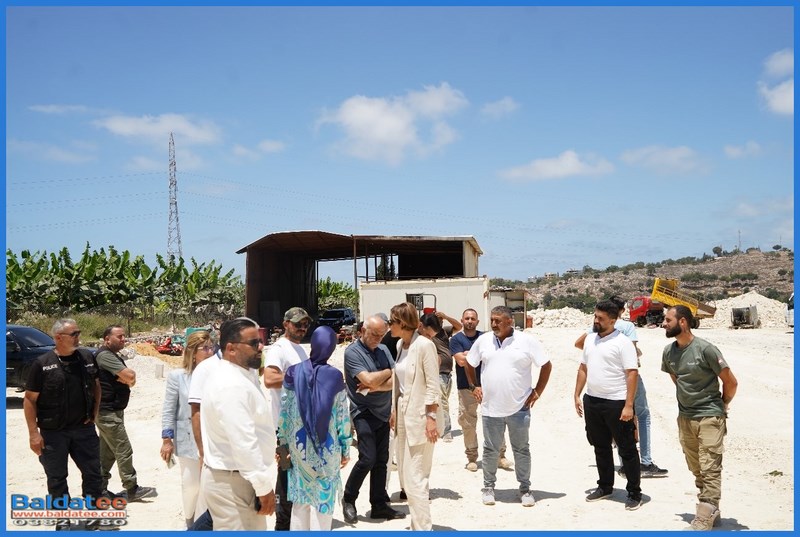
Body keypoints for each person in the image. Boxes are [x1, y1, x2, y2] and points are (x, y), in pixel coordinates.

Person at [465, 305, 551, 508]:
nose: (494, 324)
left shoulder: (526, 341)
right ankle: (488, 488)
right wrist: (473, 386)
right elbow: (469, 363)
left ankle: (525, 489)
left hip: (519, 408)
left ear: (510, 322)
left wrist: (537, 391)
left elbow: (546, 365)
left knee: (521, 449)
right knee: (490, 449)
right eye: (492, 320)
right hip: (490, 408)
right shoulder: (484, 340)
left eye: (498, 321)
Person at [662, 305, 738, 530]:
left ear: (682, 322)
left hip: (710, 416)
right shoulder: (668, 352)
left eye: (668, 320)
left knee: (710, 466)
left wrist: (722, 404)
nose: (663, 324)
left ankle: (705, 515)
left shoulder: (706, 349)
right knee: (696, 467)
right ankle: (711, 509)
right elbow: (677, 379)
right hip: (685, 417)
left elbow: (731, 382)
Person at [574, 296, 668, 479]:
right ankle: (645, 461)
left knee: (613, 427)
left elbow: (579, 344)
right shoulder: (626, 327)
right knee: (641, 416)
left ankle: (623, 465)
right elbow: (632, 354)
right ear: (621, 312)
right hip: (626, 379)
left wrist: (599, 355)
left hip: (604, 389)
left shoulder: (596, 329)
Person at [23, 319, 103, 530]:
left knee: (93, 472)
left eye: (78, 332)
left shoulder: (87, 358)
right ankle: (62, 517)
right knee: (56, 477)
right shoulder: (42, 364)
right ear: (58, 337)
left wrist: (94, 413)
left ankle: (93, 513)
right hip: (53, 433)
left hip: (84, 429)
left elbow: (96, 385)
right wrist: (33, 433)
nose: (78, 337)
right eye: (74, 334)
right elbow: (29, 399)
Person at [200, 317, 276, 530]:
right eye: (254, 343)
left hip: (239, 478)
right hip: (233, 483)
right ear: (231, 349)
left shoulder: (241, 375)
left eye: (261, 341)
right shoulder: (231, 385)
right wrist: (263, 488)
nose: (261, 347)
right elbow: (243, 443)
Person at [278, 326, 352, 530]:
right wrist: (345, 449)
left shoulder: (293, 372)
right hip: (327, 450)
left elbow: (284, 413)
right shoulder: (334, 377)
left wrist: (282, 444)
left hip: (298, 448)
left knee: (300, 502)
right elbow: (342, 418)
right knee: (323, 503)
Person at [574, 300, 642, 511]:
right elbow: (583, 368)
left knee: (627, 448)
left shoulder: (623, 343)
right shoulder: (590, 339)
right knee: (600, 446)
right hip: (593, 401)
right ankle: (605, 486)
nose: (596, 320)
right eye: (595, 316)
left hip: (617, 403)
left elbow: (632, 374)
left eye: (600, 318)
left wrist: (628, 405)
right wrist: (577, 394)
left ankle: (634, 493)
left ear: (613, 320)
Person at [341, 315, 404, 524]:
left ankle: (378, 505)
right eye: (374, 334)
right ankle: (348, 499)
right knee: (367, 458)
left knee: (381, 461)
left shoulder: (384, 349)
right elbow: (367, 379)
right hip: (363, 411)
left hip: (384, 412)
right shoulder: (352, 352)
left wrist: (376, 385)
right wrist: (387, 372)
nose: (378, 338)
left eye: (381, 335)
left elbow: (396, 380)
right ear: (362, 331)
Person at [389, 302, 441, 530]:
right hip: (403, 414)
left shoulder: (424, 345)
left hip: (421, 417)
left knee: (416, 477)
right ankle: (417, 524)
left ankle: (423, 528)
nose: (389, 326)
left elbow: (433, 385)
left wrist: (431, 418)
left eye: (391, 322)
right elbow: (400, 382)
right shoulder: (400, 345)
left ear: (402, 323)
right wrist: (394, 410)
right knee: (405, 476)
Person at [95, 325, 157, 501]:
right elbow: (130, 377)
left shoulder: (111, 355)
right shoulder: (105, 356)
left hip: (112, 410)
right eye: (119, 336)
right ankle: (132, 488)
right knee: (123, 449)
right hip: (107, 412)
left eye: (124, 336)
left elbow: (130, 379)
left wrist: (128, 378)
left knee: (107, 453)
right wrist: (127, 377)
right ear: (107, 339)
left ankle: (99, 488)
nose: (123, 339)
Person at [160, 331, 216, 528]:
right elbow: (169, 409)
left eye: (211, 347)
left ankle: (205, 525)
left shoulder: (217, 375)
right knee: (191, 485)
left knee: (210, 486)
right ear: (192, 352)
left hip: (213, 438)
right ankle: (190, 522)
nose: (210, 352)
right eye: (205, 348)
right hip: (189, 439)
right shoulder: (178, 377)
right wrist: (167, 439)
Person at [263, 306, 312, 530]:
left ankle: (293, 522)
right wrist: (302, 375)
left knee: (297, 474)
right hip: (284, 428)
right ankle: (281, 525)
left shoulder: (301, 350)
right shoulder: (278, 349)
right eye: (297, 324)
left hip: (300, 425)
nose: (302, 328)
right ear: (285, 324)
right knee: (285, 473)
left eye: (305, 324)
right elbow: (270, 379)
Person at [450, 308, 512, 472]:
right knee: (468, 423)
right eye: (467, 318)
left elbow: (495, 357)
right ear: (462, 321)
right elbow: (462, 361)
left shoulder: (487, 338)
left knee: (496, 420)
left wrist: (469, 354)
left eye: (473, 319)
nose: (470, 321)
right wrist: (475, 356)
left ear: (477, 321)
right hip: (466, 387)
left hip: (488, 386)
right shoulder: (456, 340)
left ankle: (500, 455)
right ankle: (472, 458)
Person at [420, 312, 454, 442]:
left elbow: (458, 326)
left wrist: (446, 316)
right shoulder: (427, 338)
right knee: (442, 402)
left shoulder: (443, 333)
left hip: (447, 373)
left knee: (444, 401)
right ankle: (446, 430)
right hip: (438, 373)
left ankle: (441, 426)